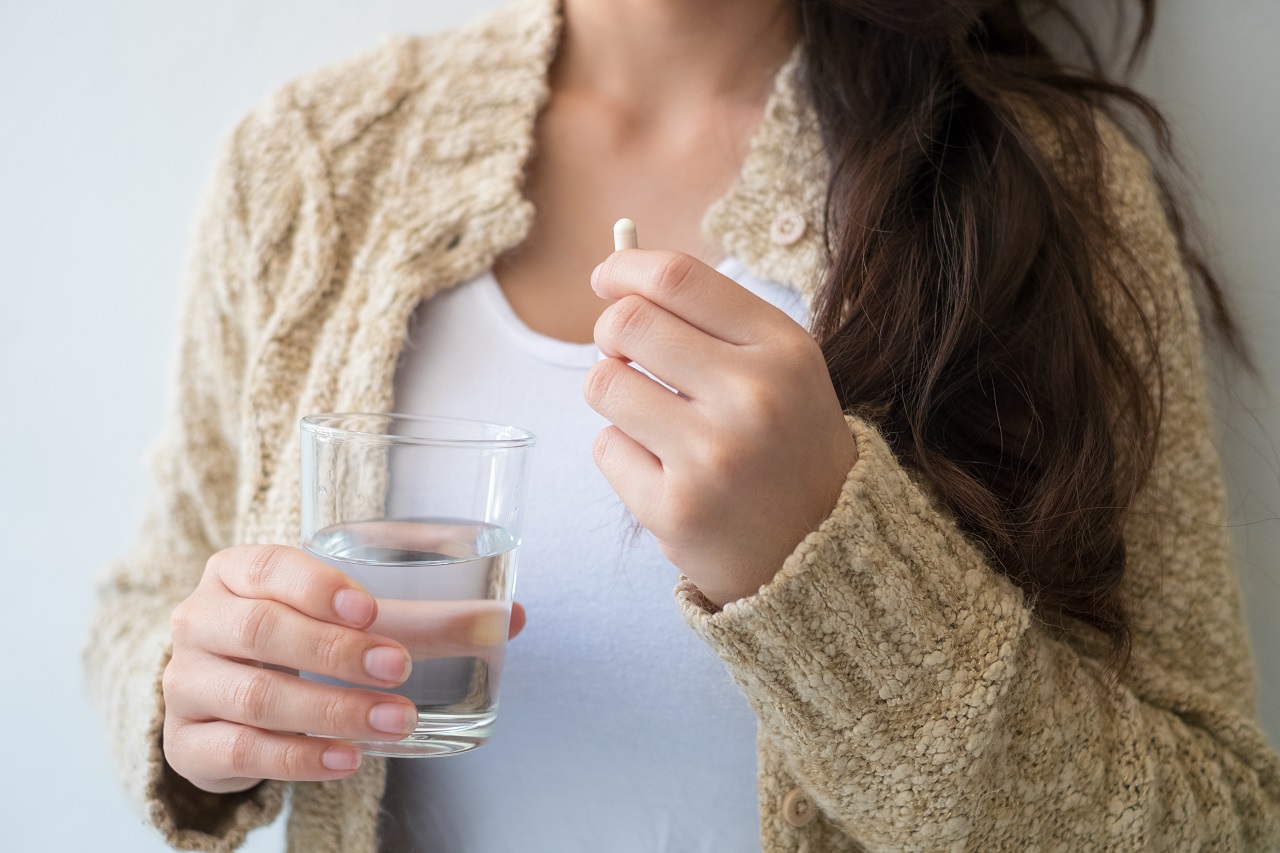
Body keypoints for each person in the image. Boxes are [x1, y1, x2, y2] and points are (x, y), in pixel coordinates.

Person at [85, 0, 1280, 850]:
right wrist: (191, 700)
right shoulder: (304, 164)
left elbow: (1216, 819)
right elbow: (151, 598)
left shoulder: (1039, 181)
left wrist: (827, 567)